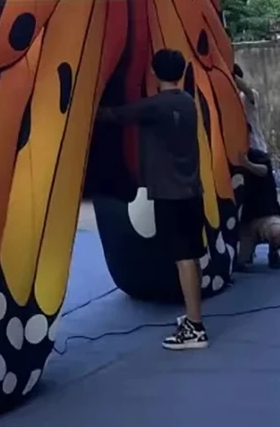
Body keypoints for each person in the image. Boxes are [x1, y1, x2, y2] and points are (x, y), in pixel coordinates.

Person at [97, 49, 208, 351]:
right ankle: (193, 316)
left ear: (155, 73)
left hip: (169, 194)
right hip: (192, 190)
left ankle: (196, 327)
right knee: (193, 255)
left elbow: (114, 116)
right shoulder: (187, 103)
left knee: (183, 257)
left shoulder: (155, 106)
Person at [237, 147, 280, 270]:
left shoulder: (256, 155)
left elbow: (264, 170)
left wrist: (246, 164)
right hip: (244, 222)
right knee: (239, 261)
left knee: (279, 234)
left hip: (267, 216)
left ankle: (274, 251)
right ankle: (247, 253)